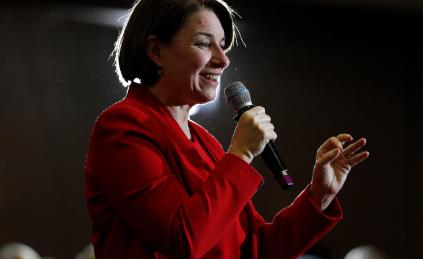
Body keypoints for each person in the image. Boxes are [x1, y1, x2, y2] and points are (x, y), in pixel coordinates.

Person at [84, 0, 370, 258]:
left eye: (222, 44)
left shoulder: (205, 141)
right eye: (204, 43)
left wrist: (319, 194)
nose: (223, 59)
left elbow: (258, 249)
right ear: (156, 51)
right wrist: (241, 154)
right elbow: (181, 239)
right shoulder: (122, 126)